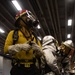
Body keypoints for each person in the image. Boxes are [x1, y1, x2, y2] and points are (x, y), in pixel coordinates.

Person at [4, 9, 42, 75]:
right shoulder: (13, 33)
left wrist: (38, 50)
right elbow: (6, 50)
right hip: (19, 68)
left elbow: (40, 54)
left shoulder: (34, 36)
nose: (29, 18)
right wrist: (20, 47)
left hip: (32, 68)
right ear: (19, 20)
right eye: (26, 16)